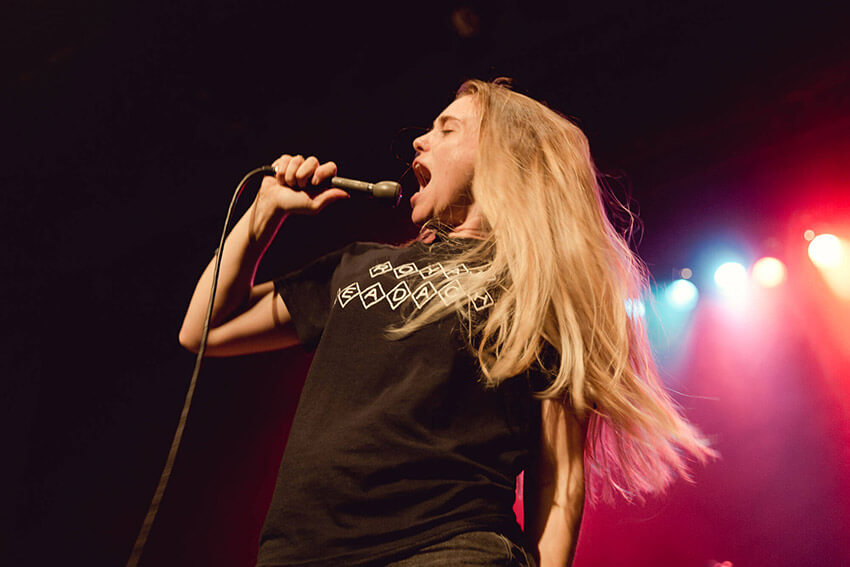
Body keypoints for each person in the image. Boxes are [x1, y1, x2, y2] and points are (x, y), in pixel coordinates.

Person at [179, 79, 714, 567]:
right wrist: (261, 215)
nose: (419, 141)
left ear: (503, 157)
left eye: (447, 128)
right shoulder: (356, 265)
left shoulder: (535, 282)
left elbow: (559, 482)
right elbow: (203, 330)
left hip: (445, 549)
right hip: (300, 555)